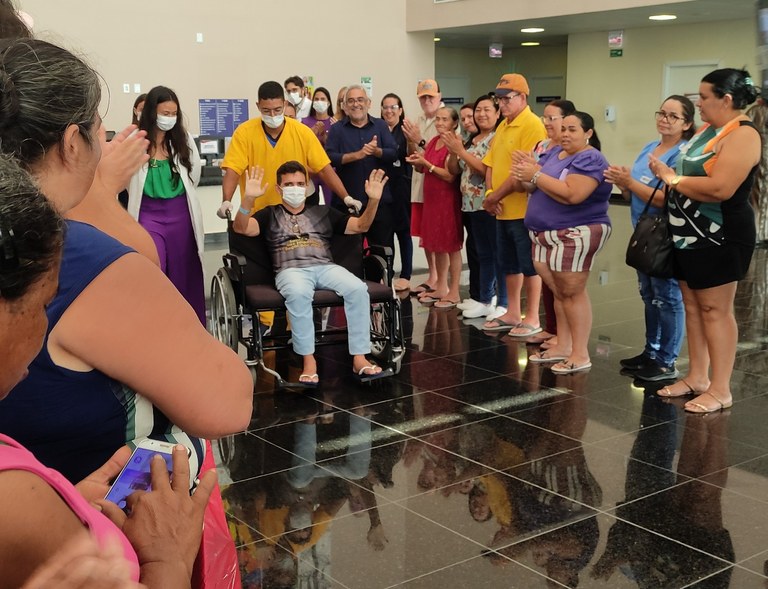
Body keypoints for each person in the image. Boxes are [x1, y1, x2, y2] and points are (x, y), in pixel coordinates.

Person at [0, 37, 252, 483]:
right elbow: (228, 404)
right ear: (72, 142)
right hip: (90, 520)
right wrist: (97, 195)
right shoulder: (79, 257)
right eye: (99, 131)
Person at [0, 154, 216, 589]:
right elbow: (225, 405)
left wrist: (68, 506)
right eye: (45, 305)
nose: (45, 327)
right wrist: (165, 561)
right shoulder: (14, 503)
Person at [649, 68, 761, 413]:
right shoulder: (709, 131)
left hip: (720, 233)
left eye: (704, 97)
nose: (698, 103)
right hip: (687, 233)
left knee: (715, 309)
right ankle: (698, 377)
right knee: (694, 306)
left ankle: (721, 388)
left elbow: (720, 188)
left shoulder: (743, 134)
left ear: (726, 100)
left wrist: (673, 178)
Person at [232, 161, 390, 385]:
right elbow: (241, 228)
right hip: (290, 270)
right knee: (298, 295)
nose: (295, 188)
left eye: (299, 183)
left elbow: (361, 226)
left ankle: (360, 358)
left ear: (307, 186)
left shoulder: (324, 212)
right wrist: (248, 198)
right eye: (288, 184)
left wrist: (373, 201)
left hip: (325, 267)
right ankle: (309, 361)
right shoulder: (269, 215)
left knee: (357, 289)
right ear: (279, 189)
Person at [513, 111, 612, 374]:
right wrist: (525, 171)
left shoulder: (590, 157)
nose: (565, 134)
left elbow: (572, 194)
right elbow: (532, 187)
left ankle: (580, 353)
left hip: (574, 232)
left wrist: (535, 174)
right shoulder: (553, 153)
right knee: (559, 292)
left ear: (588, 133)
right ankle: (563, 345)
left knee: (572, 292)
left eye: (573, 129)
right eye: (563, 128)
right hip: (544, 234)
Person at [605, 95, 696, 381]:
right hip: (643, 229)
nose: (664, 119)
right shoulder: (649, 147)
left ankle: (667, 360)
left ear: (687, 123)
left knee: (667, 297)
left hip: (666, 234)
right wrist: (624, 184)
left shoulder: (683, 154)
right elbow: (635, 193)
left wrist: (631, 182)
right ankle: (651, 351)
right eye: (661, 113)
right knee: (648, 295)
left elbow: (668, 198)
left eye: (673, 116)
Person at [217, 81, 359, 219]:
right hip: (258, 211)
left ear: (284, 104)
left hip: (294, 211)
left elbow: (323, 168)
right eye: (266, 110)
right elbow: (233, 170)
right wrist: (226, 200)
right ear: (258, 106)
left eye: (277, 110)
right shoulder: (245, 132)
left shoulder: (302, 132)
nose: (272, 115)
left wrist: (346, 197)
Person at [127, 85, 206, 325]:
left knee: (185, 272)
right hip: (148, 213)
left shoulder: (183, 140)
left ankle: (188, 327)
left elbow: (195, 175)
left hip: (181, 212)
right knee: (154, 265)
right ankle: (156, 324)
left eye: (174, 114)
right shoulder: (135, 141)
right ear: (151, 112)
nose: (169, 119)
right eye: (165, 113)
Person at [482, 74, 547, 331]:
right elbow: (490, 164)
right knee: (507, 263)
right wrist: (490, 195)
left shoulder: (532, 125)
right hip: (501, 208)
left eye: (507, 99)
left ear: (522, 97)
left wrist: (495, 196)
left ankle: (532, 317)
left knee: (529, 266)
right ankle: (512, 312)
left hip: (523, 209)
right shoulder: (504, 125)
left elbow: (522, 172)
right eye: (498, 99)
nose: (502, 104)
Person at [445, 94, 503, 319]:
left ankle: (492, 298)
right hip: (469, 205)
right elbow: (454, 169)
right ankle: (482, 297)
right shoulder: (472, 138)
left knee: (492, 252)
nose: (481, 114)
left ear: (497, 113)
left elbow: (485, 169)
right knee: (480, 252)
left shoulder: (496, 138)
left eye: (487, 110)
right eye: (478, 110)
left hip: (488, 203)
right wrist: (454, 151)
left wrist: (460, 152)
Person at [326, 84, 398, 249]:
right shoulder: (337, 129)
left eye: (360, 100)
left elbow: (393, 153)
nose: (356, 104)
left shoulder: (380, 125)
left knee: (383, 249)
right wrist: (356, 155)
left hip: (379, 201)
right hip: (348, 201)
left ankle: (382, 276)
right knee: (347, 251)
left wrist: (376, 151)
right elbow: (329, 158)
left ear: (369, 103)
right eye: (350, 101)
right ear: (344, 106)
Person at [529, 99, 577, 345]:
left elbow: (566, 189)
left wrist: (534, 175)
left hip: (563, 224)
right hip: (541, 222)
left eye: (552, 118)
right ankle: (551, 327)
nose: (546, 123)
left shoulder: (577, 153)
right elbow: (531, 182)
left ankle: (564, 336)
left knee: (563, 285)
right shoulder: (543, 146)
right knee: (548, 280)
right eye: (544, 118)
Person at [406, 106, 462, 308]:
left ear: (454, 123)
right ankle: (440, 286)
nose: (439, 123)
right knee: (436, 245)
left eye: (444, 119)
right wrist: (416, 161)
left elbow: (449, 175)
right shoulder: (433, 142)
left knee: (451, 246)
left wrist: (426, 164)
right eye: (437, 119)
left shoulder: (455, 143)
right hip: (431, 199)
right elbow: (422, 166)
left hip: (446, 200)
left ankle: (454, 291)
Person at [402, 79, 443, 295]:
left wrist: (419, 141)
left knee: (438, 234)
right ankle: (433, 275)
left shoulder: (444, 120)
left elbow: (441, 154)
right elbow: (412, 151)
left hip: (438, 184)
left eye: (431, 96)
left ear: (439, 96)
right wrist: (411, 140)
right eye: (423, 97)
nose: (427, 100)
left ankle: (441, 280)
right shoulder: (418, 120)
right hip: (419, 183)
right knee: (425, 234)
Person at [380, 92, 413, 292]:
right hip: (383, 187)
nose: (389, 110)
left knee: (404, 232)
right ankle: (388, 273)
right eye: (385, 107)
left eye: (393, 107)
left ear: (400, 110)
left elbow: (409, 154)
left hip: (401, 187)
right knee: (386, 233)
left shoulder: (405, 131)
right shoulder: (378, 129)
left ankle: (407, 274)